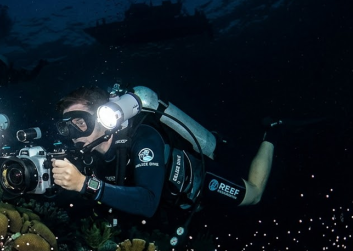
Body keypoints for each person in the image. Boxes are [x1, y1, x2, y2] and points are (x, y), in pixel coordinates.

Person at [50, 86, 276, 222]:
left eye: (80, 122)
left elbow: (148, 202)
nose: (74, 135)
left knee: (253, 195)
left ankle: (274, 133)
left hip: (201, 180)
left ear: (103, 117)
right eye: (67, 127)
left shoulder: (144, 138)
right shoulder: (89, 154)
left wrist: (84, 184)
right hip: (176, 209)